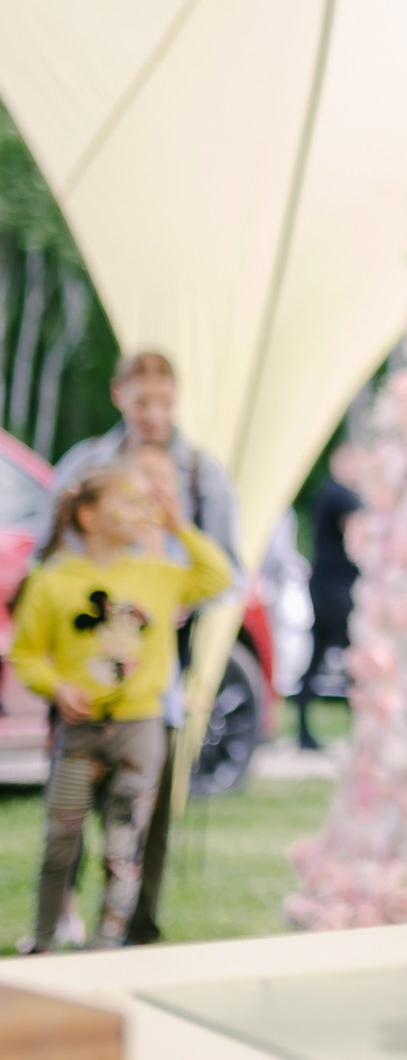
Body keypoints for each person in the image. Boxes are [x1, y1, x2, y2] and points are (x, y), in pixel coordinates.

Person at [43, 349, 243, 946]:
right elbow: (49, 548)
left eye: (165, 403)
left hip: (159, 659)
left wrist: (176, 596)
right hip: (85, 648)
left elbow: (227, 570)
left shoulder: (200, 474)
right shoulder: (88, 464)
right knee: (72, 797)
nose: (154, 415)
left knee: (143, 801)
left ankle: (137, 924)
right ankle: (59, 914)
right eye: (142, 402)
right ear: (120, 397)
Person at [9, 461, 233, 951]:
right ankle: (43, 940)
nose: (142, 509)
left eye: (144, 501)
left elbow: (219, 576)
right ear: (89, 516)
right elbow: (26, 653)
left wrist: (178, 526)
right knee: (61, 840)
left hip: (140, 732)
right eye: (129, 500)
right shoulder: (53, 581)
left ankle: (107, 945)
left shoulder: (160, 576)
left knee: (123, 846)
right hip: (80, 734)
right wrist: (57, 688)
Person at [296, 451, 363, 751]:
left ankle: (303, 729)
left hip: (323, 585)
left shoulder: (327, 493)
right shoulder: (341, 497)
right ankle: (360, 725)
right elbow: (359, 537)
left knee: (318, 656)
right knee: (356, 656)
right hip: (336, 587)